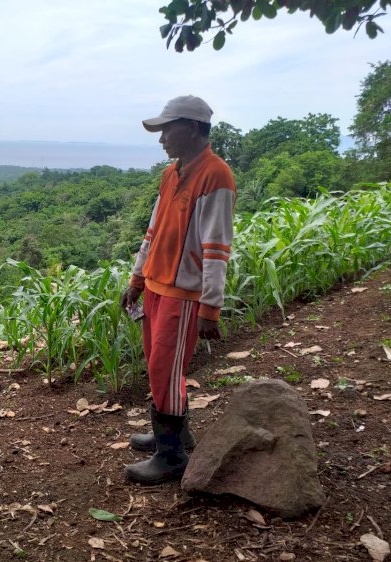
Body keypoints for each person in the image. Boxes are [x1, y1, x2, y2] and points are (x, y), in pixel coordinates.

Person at [120, 95, 236, 485]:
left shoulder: (215, 175)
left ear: (192, 128)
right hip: (157, 284)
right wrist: (137, 279)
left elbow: (216, 246)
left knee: (165, 367)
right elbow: (153, 232)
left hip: (183, 293)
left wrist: (210, 307)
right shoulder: (172, 173)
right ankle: (174, 433)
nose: (162, 139)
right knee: (158, 365)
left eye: (167, 130)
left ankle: (171, 456)